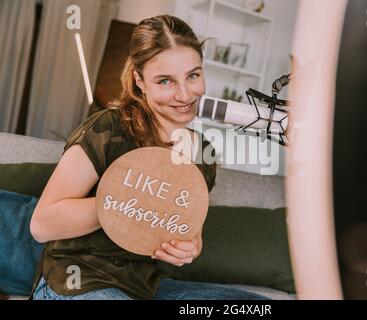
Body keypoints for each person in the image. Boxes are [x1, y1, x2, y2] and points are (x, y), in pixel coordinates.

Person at [30, 15, 268, 300]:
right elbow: (42, 225)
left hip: (147, 288)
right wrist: (130, 199)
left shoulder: (202, 154)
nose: (184, 94)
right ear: (139, 80)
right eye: (165, 81)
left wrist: (190, 247)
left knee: (252, 306)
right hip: (80, 279)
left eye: (193, 75)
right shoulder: (109, 128)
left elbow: (190, 229)